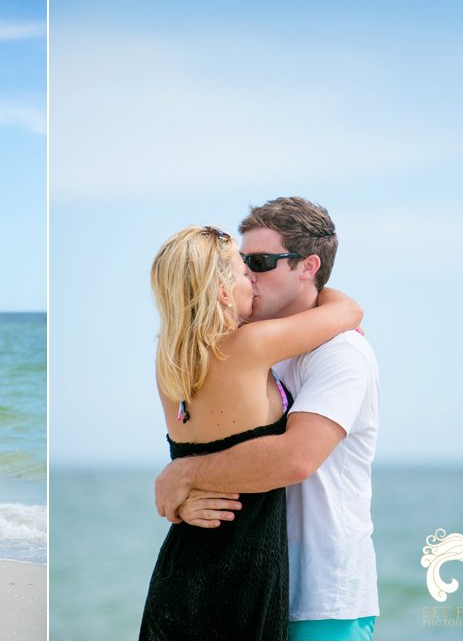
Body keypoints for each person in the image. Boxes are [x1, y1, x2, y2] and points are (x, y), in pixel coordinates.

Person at [154, 197, 381, 641]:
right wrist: (182, 488)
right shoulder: (251, 349)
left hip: (320, 596)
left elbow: (295, 458)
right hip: (252, 578)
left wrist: (183, 474)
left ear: (308, 266)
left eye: (258, 261)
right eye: (242, 264)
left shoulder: (341, 352)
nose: (250, 275)